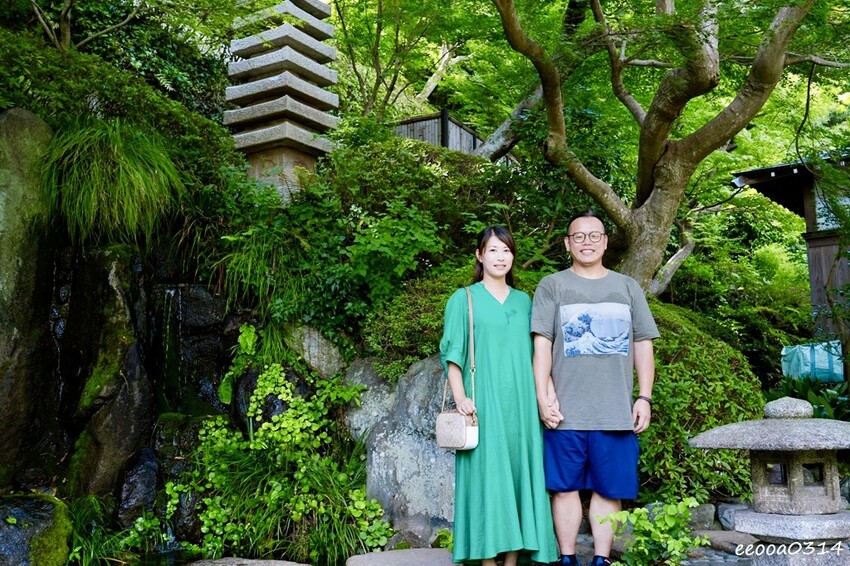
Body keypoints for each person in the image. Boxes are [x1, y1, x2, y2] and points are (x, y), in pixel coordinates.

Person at [531, 211, 659, 566]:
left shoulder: (627, 287)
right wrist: (543, 396)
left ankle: (601, 559)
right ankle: (568, 558)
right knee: (564, 487)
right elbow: (542, 345)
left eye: (594, 236)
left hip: (615, 410)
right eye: (578, 237)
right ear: (567, 244)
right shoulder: (552, 285)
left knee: (609, 489)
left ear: (605, 242)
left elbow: (643, 343)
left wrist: (644, 397)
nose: (586, 242)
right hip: (564, 411)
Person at [440, 225, 559, 566]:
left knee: (521, 475)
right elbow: (453, 356)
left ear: (512, 256)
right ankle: (488, 560)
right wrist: (461, 399)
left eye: (506, 250)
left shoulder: (525, 301)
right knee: (489, 479)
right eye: (492, 250)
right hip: (484, 402)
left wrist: (545, 396)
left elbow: (540, 354)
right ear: (479, 255)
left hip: (521, 404)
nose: (500, 257)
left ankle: (511, 560)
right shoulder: (463, 299)